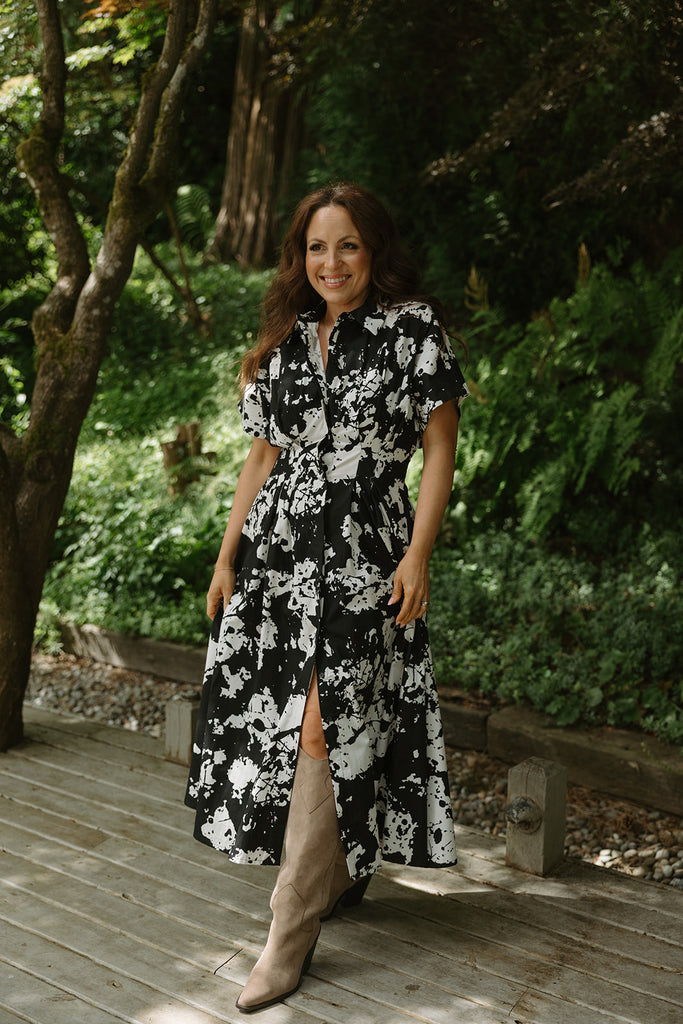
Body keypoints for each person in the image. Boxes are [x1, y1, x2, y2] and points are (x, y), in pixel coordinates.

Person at [185, 182, 469, 1014]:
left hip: (365, 559)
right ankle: (339, 870)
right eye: (316, 247)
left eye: (346, 245)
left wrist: (418, 553)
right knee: (287, 722)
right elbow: (260, 460)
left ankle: (287, 930)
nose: (330, 262)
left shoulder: (412, 329)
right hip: (274, 564)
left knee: (324, 720)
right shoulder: (285, 341)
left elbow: (438, 449)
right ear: (298, 257)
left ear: (372, 251)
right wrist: (226, 554)